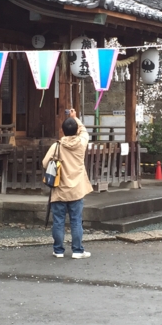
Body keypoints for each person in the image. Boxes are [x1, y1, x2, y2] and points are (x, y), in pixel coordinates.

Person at [42, 109, 93, 258]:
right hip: (77, 189)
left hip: (59, 189)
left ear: (62, 131)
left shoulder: (56, 146)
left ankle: (58, 250)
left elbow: (45, 163)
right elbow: (84, 131)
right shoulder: (81, 143)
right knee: (76, 220)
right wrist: (75, 117)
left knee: (58, 221)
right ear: (76, 130)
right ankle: (77, 250)